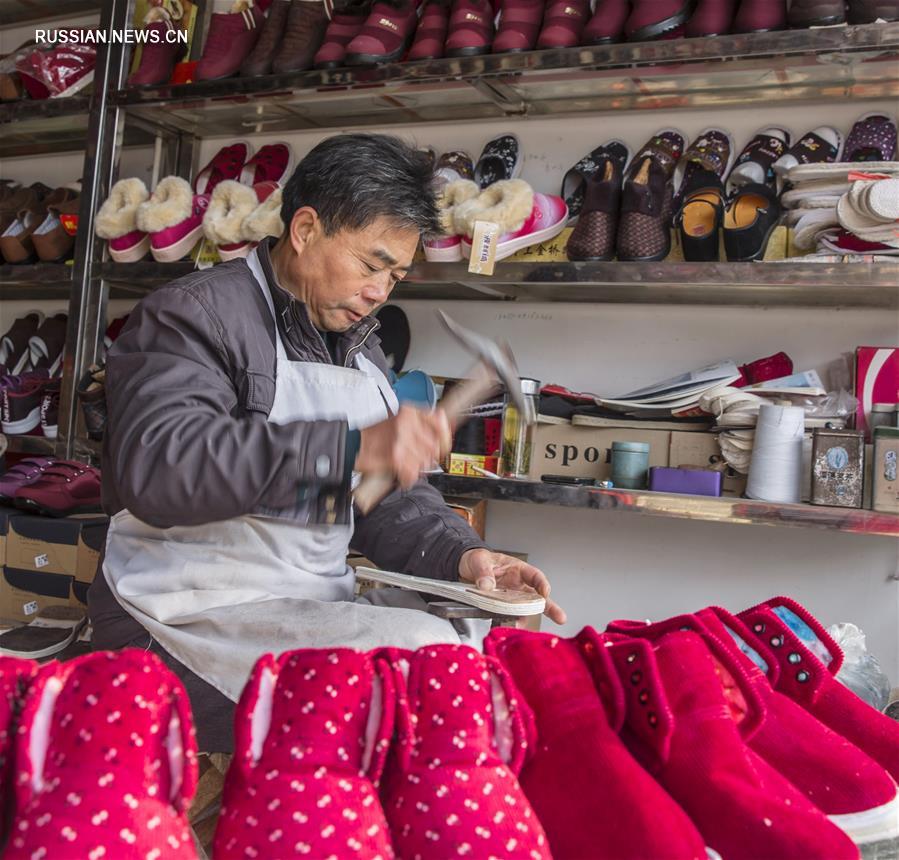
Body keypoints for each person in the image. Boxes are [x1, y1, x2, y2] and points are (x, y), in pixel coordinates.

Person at [88, 133, 565, 752]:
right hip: (177, 615)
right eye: (370, 265)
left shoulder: (361, 349)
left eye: (395, 275)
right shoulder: (191, 317)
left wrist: (463, 556)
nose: (379, 293)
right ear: (306, 229)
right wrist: (350, 448)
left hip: (299, 606)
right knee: (420, 676)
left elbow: (381, 501)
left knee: (472, 653)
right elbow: (162, 469)